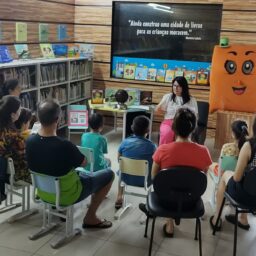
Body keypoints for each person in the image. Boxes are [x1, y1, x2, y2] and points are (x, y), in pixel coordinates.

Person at [26, 99, 114, 228]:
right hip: (68, 194)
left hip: (42, 193)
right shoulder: (65, 145)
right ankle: (90, 217)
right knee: (109, 174)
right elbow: (84, 163)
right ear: (58, 119)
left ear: (38, 118)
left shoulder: (30, 141)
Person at [148, 108, 212, 237]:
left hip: (165, 201)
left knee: (166, 187)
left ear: (173, 127)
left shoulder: (162, 150)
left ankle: (169, 223)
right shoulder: (204, 151)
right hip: (191, 202)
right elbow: (203, 177)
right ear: (193, 128)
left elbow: (154, 178)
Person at [210, 119, 256, 232]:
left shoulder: (249, 146)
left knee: (227, 175)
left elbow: (237, 178)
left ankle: (217, 219)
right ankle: (243, 219)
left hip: (246, 196)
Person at [115, 115, 157, 209]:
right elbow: (155, 164)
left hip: (126, 178)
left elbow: (119, 159)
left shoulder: (124, 142)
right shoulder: (151, 146)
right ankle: (151, 203)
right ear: (148, 130)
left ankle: (119, 196)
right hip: (144, 180)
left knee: (121, 170)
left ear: (132, 127)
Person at [155, 76, 198, 145]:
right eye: (174, 85)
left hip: (185, 123)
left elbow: (195, 115)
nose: (176, 88)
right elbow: (157, 109)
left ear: (184, 87)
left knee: (183, 137)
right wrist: (165, 111)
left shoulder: (192, 100)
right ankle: (164, 151)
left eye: (179, 86)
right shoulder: (168, 96)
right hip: (169, 122)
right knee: (167, 133)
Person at [0, 96, 31, 183]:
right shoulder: (15, 136)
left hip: (4, 173)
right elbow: (24, 158)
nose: (21, 110)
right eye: (19, 109)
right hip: (17, 175)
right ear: (13, 114)